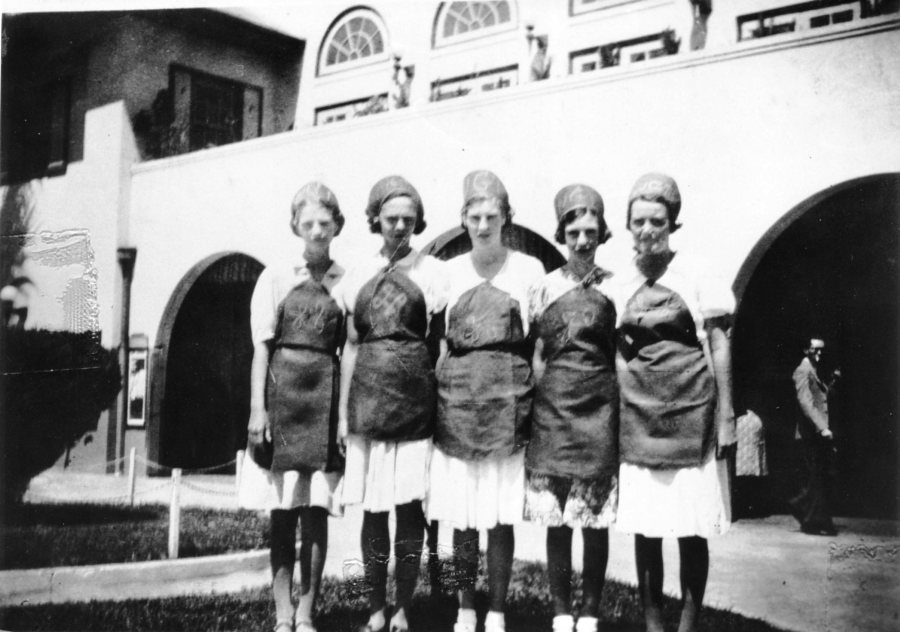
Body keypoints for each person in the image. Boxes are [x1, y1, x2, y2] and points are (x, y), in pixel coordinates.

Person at [613, 173, 735, 632]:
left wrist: (726, 414)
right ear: (628, 224)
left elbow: (719, 344)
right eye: (639, 221)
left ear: (672, 223)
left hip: (692, 413)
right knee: (647, 529)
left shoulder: (697, 273)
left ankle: (688, 624)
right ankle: (652, 624)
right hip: (640, 418)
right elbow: (618, 350)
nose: (648, 231)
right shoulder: (620, 282)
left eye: (658, 221)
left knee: (690, 527)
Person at [428, 170, 545, 632]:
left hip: (507, 404)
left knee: (498, 518)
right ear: (463, 218)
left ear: (506, 218)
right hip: (458, 405)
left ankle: (496, 609)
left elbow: (537, 344)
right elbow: (439, 344)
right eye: (474, 216)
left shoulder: (527, 270)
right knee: (461, 518)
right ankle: (465, 607)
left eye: (491, 216)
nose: (482, 225)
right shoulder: (448, 272)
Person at [339, 175, 448, 632]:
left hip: (415, 409)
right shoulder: (357, 272)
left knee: (408, 511)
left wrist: (437, 405)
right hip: (368, 407)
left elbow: (441, 347)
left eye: (408, 219)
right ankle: (374, 609)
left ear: (418, 221)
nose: (400, 226)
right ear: (375, 220)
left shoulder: (433, 272)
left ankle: (403, 607)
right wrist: (344, 418)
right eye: (391, 218)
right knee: (373, 512)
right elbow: (349, 348)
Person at [246, 182, 347, 632]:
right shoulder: (275, 277)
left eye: (324, 223)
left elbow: (352, 349)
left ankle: (306, 612)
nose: (316, 231)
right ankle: (282, 611)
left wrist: (343, 417)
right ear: (295, 227)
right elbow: (261, 348)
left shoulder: (347, 279)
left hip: (324, 403)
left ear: (337, 225)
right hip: (282, 399)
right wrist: (257, 410)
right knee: (283, 513)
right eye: (307, 224)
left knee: (316, 512)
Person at [524, 184, 618, 632]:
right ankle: (562, 611)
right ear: (561, 234)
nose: (582, 241)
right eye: (574, 232)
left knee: (594, 520)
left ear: (602, 232)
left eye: (591, 231)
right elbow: (538, 353)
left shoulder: (617, 287)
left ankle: (592, 611)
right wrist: (544, 404)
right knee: (557, 519)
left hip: (599, 412)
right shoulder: (544, 287)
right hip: (553, 415)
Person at [788, 338, 837, 536]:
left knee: (816, 479)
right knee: (813, 479)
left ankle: (814, 520)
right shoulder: (803, 370)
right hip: (809, 434)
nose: (819, 353)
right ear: (806, 349)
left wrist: (833, 382)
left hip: (815, 434)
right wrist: (822, 427)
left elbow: (821, 398)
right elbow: (806, 402)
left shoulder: (814, 370)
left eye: (821, 350)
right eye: (815, 349)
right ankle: (806, 513)